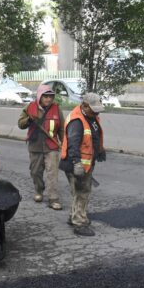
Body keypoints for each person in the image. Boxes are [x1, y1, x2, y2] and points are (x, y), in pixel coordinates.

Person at [60, 93, 106, 237]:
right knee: (82, 193)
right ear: (85, 106)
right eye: (94, 109)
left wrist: (100, 150)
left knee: (78, 192)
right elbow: (73, 144)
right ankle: (79, 222)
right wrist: (77, 163)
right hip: (77, 164)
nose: (96, 112)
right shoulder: (77, 121)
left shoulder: (90, 117)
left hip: (85, 163)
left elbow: (93, 136)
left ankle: (73, 216)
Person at [18, 85, 65, 210]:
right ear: (39, 96)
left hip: (52, 146)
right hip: (35, 146)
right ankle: (39, 190)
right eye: (45, 96)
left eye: (50, 96)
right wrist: (29, 119)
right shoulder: (30, 107)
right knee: (35, 172)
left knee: (52, 173)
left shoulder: (56, 109)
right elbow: (20, 124)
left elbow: (61, 129)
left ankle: (53, 198)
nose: (48, 99)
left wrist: (64, 144)